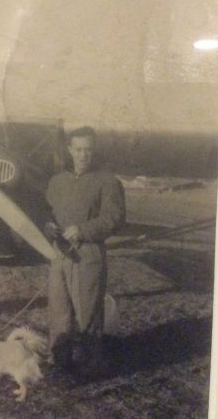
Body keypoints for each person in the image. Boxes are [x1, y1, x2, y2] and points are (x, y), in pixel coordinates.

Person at [44, 126, 125, 370]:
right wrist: (47, 225)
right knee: (59, 311)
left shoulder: (108, 182)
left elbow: (114, 218)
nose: (83, 155)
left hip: (87, 254)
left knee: (87, 312)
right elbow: (47, 211)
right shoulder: (57, 181)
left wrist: (83, 229)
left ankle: (89, 364)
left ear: (94, 150)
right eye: (78, 149)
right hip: (59, 254)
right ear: (70, 150)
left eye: (88, 150)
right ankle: (60, 361)